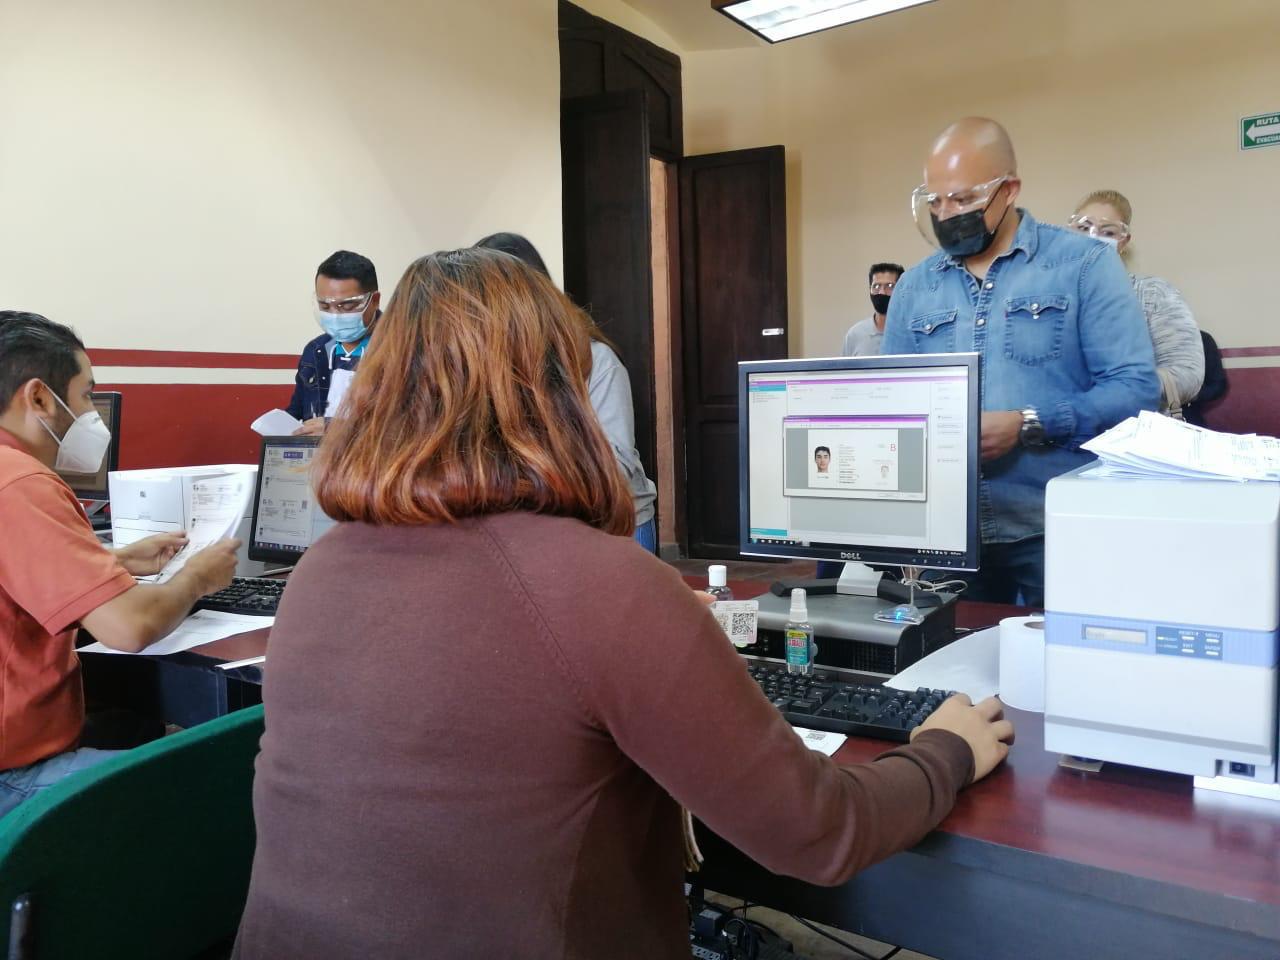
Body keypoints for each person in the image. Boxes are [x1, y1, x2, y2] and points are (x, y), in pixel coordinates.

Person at [232, 249, 1014, 960]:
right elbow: (818, 833)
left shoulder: (319, 571)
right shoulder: (601, 586)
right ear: (558, 392)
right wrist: (945, 751)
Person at [882, 118, 1159, 606]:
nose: (946, 214)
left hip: (1054, 521)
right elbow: (894, 404)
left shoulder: (1083, 264)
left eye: (962, 199)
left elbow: (1135, 388)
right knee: (951, 652)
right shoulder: (915, 288)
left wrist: (1028, 422)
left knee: (1063, 648)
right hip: (949, 532)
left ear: (1008, 190)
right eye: (935, 201)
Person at [0, 311, 239, 817]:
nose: (92, 413)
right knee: (227, 779)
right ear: (39, 397)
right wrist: (198, 576)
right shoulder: (20, 482)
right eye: (86, 395)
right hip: (13, 776)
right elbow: (129, 628)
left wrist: (115, 560)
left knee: (135, 726)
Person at [475, 232, 660, 553]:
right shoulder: (485, 365)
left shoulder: (596, 360)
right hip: (535, 528)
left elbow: (616, 465)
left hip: (614, 524)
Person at [1068, 190, 1204, 418]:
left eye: (1107, 232)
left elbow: (1187, 375)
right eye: (1083, 228)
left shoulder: (1152, 294)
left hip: (1136, 431)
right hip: (1061, 432)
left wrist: (1119, 386)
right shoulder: (1046, 299)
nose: (1092, 237)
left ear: (1123, 241)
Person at [286, 250, 381, 437]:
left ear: (374, 301)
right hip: (317, 455)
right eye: (325, 306)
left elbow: (410, 427)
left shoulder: (401, 350)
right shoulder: (316, 350)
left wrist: (335, 428)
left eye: (347, 306)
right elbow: (297, 412)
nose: (335, 315)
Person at [841, 262, 904, 357]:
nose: (882, 292)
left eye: (889, 286)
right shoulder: (855, 334)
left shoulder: (913, 334)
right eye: (876, 286)